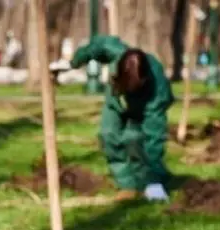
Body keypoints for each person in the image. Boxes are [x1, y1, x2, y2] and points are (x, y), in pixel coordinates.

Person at [53, 36, 174, 201]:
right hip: (115, 104)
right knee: (108, 135)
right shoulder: (118, 54)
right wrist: (74, 62)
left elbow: (154, 138)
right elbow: (98, 45)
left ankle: (149, 181)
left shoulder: (157, 92)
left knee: (134, 140)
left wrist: (153, 182)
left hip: (142, 109)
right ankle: (127, 185)